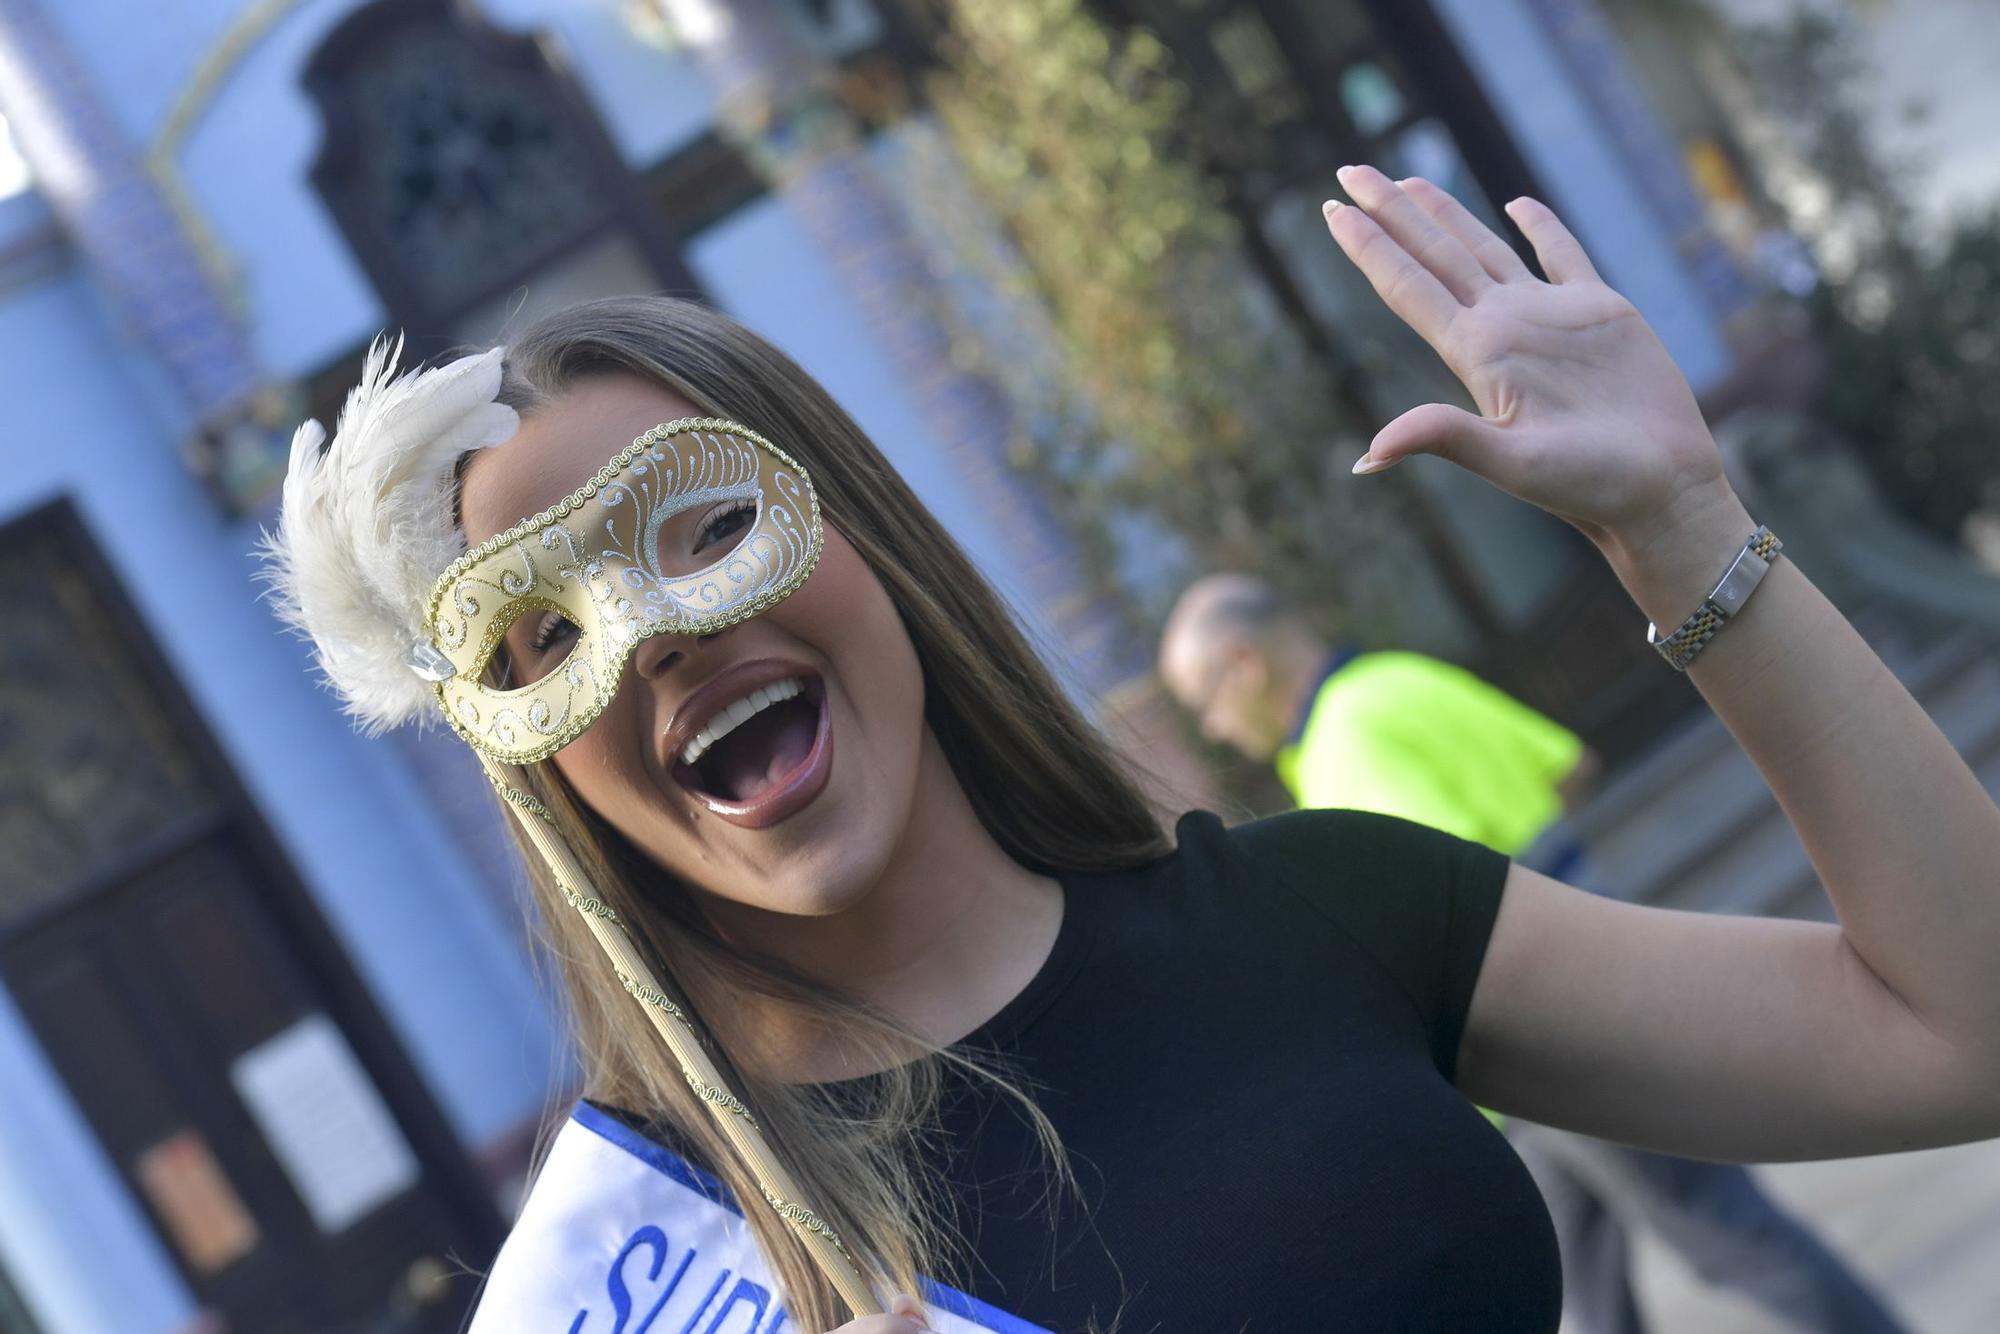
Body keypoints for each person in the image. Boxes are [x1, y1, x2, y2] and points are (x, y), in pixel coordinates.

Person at [259, 166, 2000, 1334]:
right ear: (529, 761)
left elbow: (1960, 1034)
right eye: (543, 635)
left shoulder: (1327, 909)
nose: (659, 636)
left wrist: (1687, 527)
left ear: (866, 539)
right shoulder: (663, 1269)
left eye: (705, 530)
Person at [1158, 575, 1909, 1334]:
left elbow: (1427, 918)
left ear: (1245, 662)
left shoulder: (1344, 741)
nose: (1215, 728)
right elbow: (1569, 767)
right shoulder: (1398, 680)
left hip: (1544, 1036)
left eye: (1205, 699)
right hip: (1549, 1041)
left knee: (1727, 1236)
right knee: (1579, 1284)